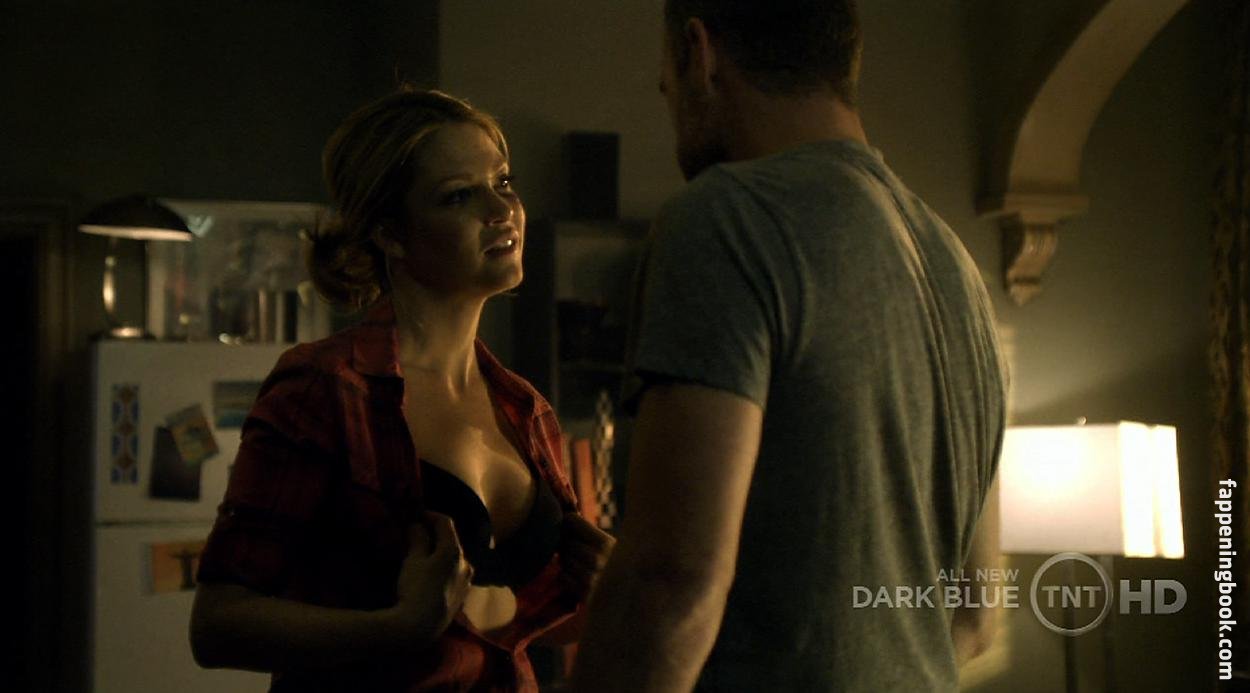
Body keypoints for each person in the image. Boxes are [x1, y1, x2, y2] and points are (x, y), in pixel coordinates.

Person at [570, 1, 1006, 691]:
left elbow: (671, 585)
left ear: (698, 55)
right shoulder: (960, 271)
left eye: (665, 87)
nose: (672, 108)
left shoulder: (726, 217)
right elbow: (978, 614)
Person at [190, 87, 614, 692]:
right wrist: (394, 628)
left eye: (503, 182)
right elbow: (217, 624)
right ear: (391, 233)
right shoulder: (326, 387)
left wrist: (605, 588)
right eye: (459, 195)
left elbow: (522, 619)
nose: (501, 210)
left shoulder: (525, 409)